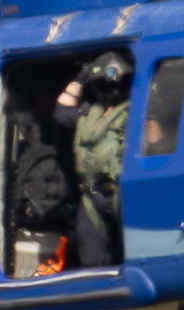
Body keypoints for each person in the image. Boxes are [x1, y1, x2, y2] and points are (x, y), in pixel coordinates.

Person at [52, 55, 132, 269]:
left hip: (121, 192)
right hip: (92, 196)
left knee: (130, 252)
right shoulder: (89, 112)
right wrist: (81, 79)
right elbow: (61, 113)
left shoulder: (133, 111)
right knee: (91, 259)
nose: (113, 89)